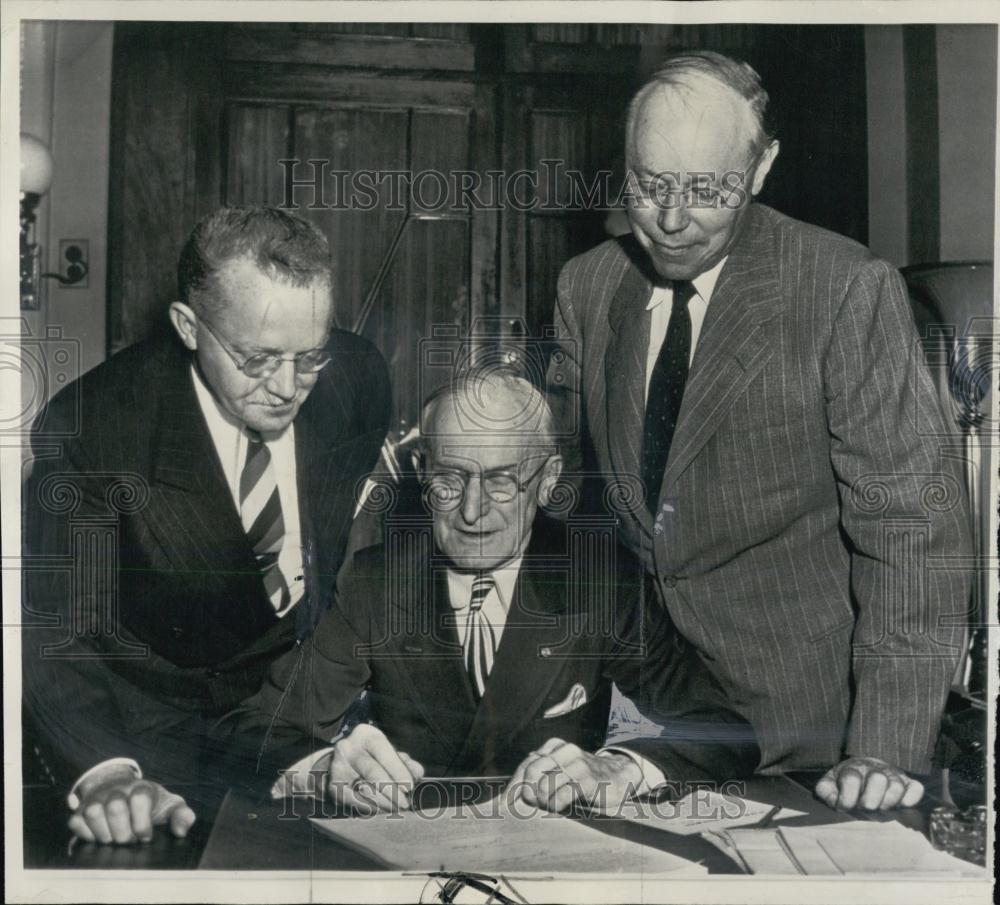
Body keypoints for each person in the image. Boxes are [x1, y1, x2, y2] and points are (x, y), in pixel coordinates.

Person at [545, 51, 972, 812]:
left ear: (763, 164)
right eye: (648, 186)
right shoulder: (589, 286)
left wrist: (884, 747)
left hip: (809, 741)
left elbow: (912, 531)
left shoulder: (843, 289)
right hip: (640, 733)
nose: (672, 220)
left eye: (708, 189)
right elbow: (573, 504)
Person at [221, 371, 758, 812]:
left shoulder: (599, 580)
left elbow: (726, 730)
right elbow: (250, 731)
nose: (473, 512)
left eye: (502, 481)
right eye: (449, 480)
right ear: (420, 468)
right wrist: (321, 769)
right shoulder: (377, 582)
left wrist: (619, 767)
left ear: (548, 479)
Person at [23, 206, 391, 844]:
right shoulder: (96, 428)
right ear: (188, 326)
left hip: (301, 711)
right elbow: (56, 630)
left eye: (309, 356)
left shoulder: (356, 377)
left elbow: (327, 555)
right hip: (156, 725)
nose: (288, 387)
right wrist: (107, 772)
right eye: (257, 358)